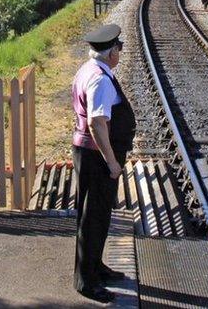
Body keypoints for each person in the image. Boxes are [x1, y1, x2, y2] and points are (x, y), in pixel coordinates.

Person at [71, 23, 137, 303]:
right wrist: (111, 162)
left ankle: (95, 266)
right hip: (97, 157)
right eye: (119, 48)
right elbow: (98, 123)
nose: (120, 52)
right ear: (111, 53)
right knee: (93, 217)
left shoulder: (90, 69)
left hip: (89, 153)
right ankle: (86, 281)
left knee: (98, 215)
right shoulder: (99, 79)